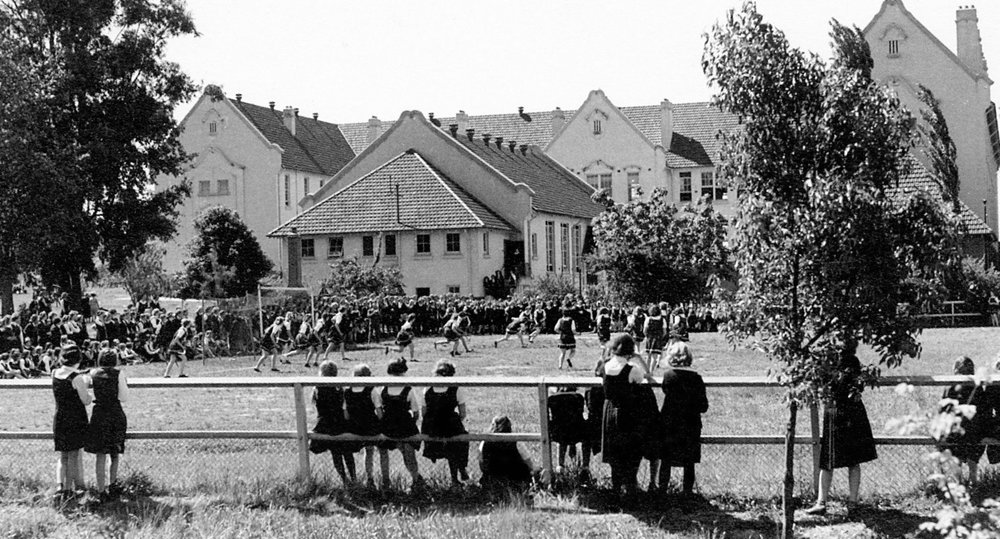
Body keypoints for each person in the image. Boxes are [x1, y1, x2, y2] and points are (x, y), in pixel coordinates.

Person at [806, 339, 877, 515]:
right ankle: (849, 502)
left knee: (831, 460)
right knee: (848, 460)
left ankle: (825, 502)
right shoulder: (849, 362)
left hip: (837, 411)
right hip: (849, 412)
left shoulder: (832, 362)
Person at [600, 333, 655, 501]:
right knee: (631, 452)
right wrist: (639, 359)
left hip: (609, 411)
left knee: (615, 452)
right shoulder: (632, 370)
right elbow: (648, 379)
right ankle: (631, 490)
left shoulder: (605, 366)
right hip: (628, 414)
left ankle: (616, 489)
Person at [658, 341, 708, 494]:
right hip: (690, 423)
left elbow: (666, 391)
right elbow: (703, 406)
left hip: (670, 423)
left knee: (665, 460)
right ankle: (687, 494)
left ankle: (662, 492)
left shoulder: (668, 376)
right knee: (689, 462)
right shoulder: (696, 378)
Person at [936, 356, 988, 483]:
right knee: (975, 442)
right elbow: (983, 410)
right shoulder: (977, 386)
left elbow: (943, 410)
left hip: (956, 430)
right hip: (975, 430)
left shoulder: (951, 386)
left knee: (954, 444)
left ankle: (958, 480)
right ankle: (973, 478)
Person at [376, 358, 425, 490]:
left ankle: (388, 482)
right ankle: (415, 479)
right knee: (408, 454)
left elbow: (379, 409)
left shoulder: (383, 388)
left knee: (398, 453)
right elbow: (416, 413)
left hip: (389, 426)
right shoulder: (408, 389)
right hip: (403, 426)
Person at [86, 349, 129, 500]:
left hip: (99, 414)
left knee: (100, 454)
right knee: (115, 452)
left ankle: (100, 490)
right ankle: (113, 484)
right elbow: (124, 397)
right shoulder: (119, 374)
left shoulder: (93, 373)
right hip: (115, 413)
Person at [421, 359, 470, 486]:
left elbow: (424, 412)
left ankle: (457, 475)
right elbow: (463, 414)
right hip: (450, 424)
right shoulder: (456, 389)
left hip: (431, 426)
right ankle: (460, 470)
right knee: (461, 441)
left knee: (452, 444)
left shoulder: (427, 388)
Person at [52, 344, 91, 497]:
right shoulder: (77, 378)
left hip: (60, 417)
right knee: (74, 455)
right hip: (75, 419)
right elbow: (85, 400)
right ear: (78, 360)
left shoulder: (55, 373)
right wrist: (87, 386)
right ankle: (69, 489)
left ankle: (60, 486)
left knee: (63, 455)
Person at [309, 361, 356, 485]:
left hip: (326, 423)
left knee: (335, 453)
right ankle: (353, 478)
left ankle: (345, 480)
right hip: (340, 422)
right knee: (347, 452)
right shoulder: (340, 387)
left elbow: (315, 404)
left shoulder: (317, 387)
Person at [344, 363, 379, 487]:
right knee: (369, 451)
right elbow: (379, 411)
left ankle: (354, 479)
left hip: (354, 426)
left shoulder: (347, 391)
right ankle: (369, 477)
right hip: (369, 426)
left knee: (353, 450)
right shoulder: (372, 390)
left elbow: (346, 413)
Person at [479, 415, 534, 492]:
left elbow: (482, 465)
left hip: (493, 480)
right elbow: (529, 463)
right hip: (516, 480)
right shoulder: (516, 441)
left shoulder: (484, 443)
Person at [548, 386, 590, 476]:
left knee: (562, 437)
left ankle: (560, 465)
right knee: (583, 431)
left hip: (559, 431)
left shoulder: (553, 399)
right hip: (577, 430)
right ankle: (585, 466)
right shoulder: (578, 398)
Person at [643, 306, 666, 370]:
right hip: (658, 339)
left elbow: (644, 330)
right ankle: (651, 371)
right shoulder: (662, 320)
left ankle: (646, 370)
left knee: (648, 356)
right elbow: (664, 331)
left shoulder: (648, 319)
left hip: (649, 338)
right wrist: (660, 337)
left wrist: (647, 336)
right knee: (654, 357)